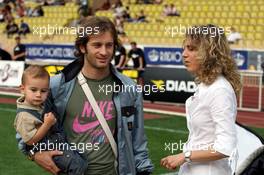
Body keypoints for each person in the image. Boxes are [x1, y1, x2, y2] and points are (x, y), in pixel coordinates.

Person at [16, 16, 153, 175]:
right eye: (97, 45)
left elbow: (138, 142)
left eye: (109, 45)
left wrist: (144, 171)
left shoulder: (129, 88)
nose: (104, 52)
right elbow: (26, 126)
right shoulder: (57, 86)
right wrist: (35, 154)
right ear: (82, 47)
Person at [161, 24, 241, 175]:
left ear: (210, 53)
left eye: (191, 49)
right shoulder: (206, 85)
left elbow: (225, 147)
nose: (184, 54)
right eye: (184, 48)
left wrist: (184, 156)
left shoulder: (220, 90)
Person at [14, 65, 88, 175]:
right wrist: (47, 124)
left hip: (59, 142)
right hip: (48, 148)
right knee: (77, 167)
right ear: (22, 89)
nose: (38, 95)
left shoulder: (40, 103)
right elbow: (30, 141)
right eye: (33, 90)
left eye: (43, 91)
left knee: (81, 163)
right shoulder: (23, 115)